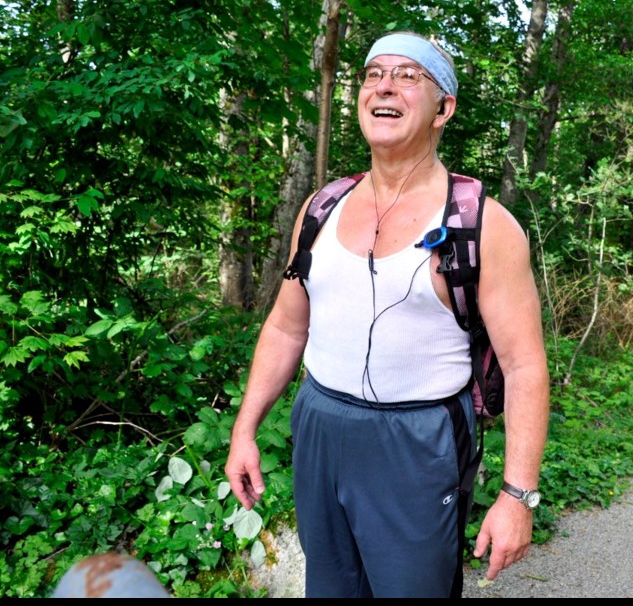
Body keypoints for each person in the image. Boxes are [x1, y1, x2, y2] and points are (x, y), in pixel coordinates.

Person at [225, 31, 550, 599]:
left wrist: (517, 496)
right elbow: (285, 326)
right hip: (320, 425)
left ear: (443, 109)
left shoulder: (482, 224)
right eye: (374, 74)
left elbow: (524, 367)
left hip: (419, 442)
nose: (385, 86)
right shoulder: (322, 207)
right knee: (331, 588)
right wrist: (244, 428)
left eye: (407, 76)